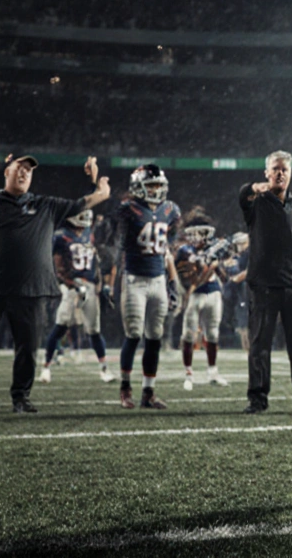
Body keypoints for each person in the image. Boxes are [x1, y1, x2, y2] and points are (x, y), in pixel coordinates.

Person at [0, 154, 109, 415]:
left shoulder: (45, 204)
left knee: (27, 348)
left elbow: (82, 204)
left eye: (28, 170)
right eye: (18, 168)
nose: (23, 173)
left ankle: (21, 397)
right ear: (6, 172)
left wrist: (94, 182)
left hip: (32, 288)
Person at [239, 150, 292, 415]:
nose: (280, 173)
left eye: (284, 169)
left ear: (291, 173)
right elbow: (243, 194)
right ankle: (257, 399)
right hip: (263, 286)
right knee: (259, 345)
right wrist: (255, 188)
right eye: (275, 169)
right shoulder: (256, 202)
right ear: (266, 172)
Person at [111, 164, 182, 410]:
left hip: (158, 279)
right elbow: (119, 246)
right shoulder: (128, 210)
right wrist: (112, 282)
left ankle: (148, 392)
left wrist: (172, 282)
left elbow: (168, 245)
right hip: (135, 279)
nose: (155, 189)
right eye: (151, 185)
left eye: (158, 185)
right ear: (138, 186)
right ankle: (125, 388)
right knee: (133, 333)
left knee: (155, 336)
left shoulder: (171, 210)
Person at [38, 209, 115, 384]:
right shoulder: (61, 237)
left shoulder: (88, 234)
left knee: (94, 330)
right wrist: (68, 283)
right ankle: (46, 368)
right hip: (71, 286)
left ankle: (104, 369)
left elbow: (95, 263)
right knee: (60, 326)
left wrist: (99, 284)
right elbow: (56, 266)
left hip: (89, 286)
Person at [175, 214, 234, 390]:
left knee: (213, 334)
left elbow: (223, 275)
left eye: (200, 233)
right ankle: (188, 373)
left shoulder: (214, 248)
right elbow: (188, 272)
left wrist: (218, 264)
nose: (196, 237)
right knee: (188, 335)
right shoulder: (185, 250)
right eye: (194, 233)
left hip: (213, 293)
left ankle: (212, 372)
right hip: (195, 295)